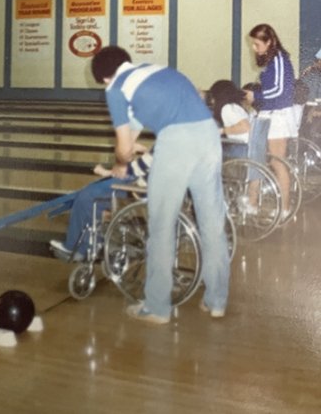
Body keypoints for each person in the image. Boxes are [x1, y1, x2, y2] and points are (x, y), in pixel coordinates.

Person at [91, 45, 230, 324]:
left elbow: (124, 146)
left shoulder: (115, 88)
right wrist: (128, 154)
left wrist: (120, 163)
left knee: (162, 224)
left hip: (177, 142)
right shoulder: (156, 71)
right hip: (209, 136)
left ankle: (157, 307)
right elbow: (135, 131)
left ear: (104, 77)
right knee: (212, 221)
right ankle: (217, 301)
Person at [50, 147, 153, 261]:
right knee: (96, 190)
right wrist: (145, 150)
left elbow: (137, 167)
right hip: (153, 184)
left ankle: (78, 247)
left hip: (141, 188)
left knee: (88, 196)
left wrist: (107, 172)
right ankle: (100, 239)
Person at [244, 24, 296, 219]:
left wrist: (255, 95)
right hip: (265, 114)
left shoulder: (281, 60)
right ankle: (252, 203)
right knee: (254, 159)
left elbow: (281, 91)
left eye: (257, 44)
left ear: (270, 41)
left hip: (278, 116)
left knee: (277, 162)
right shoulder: (270, 62)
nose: (254, 49)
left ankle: (284, 208)